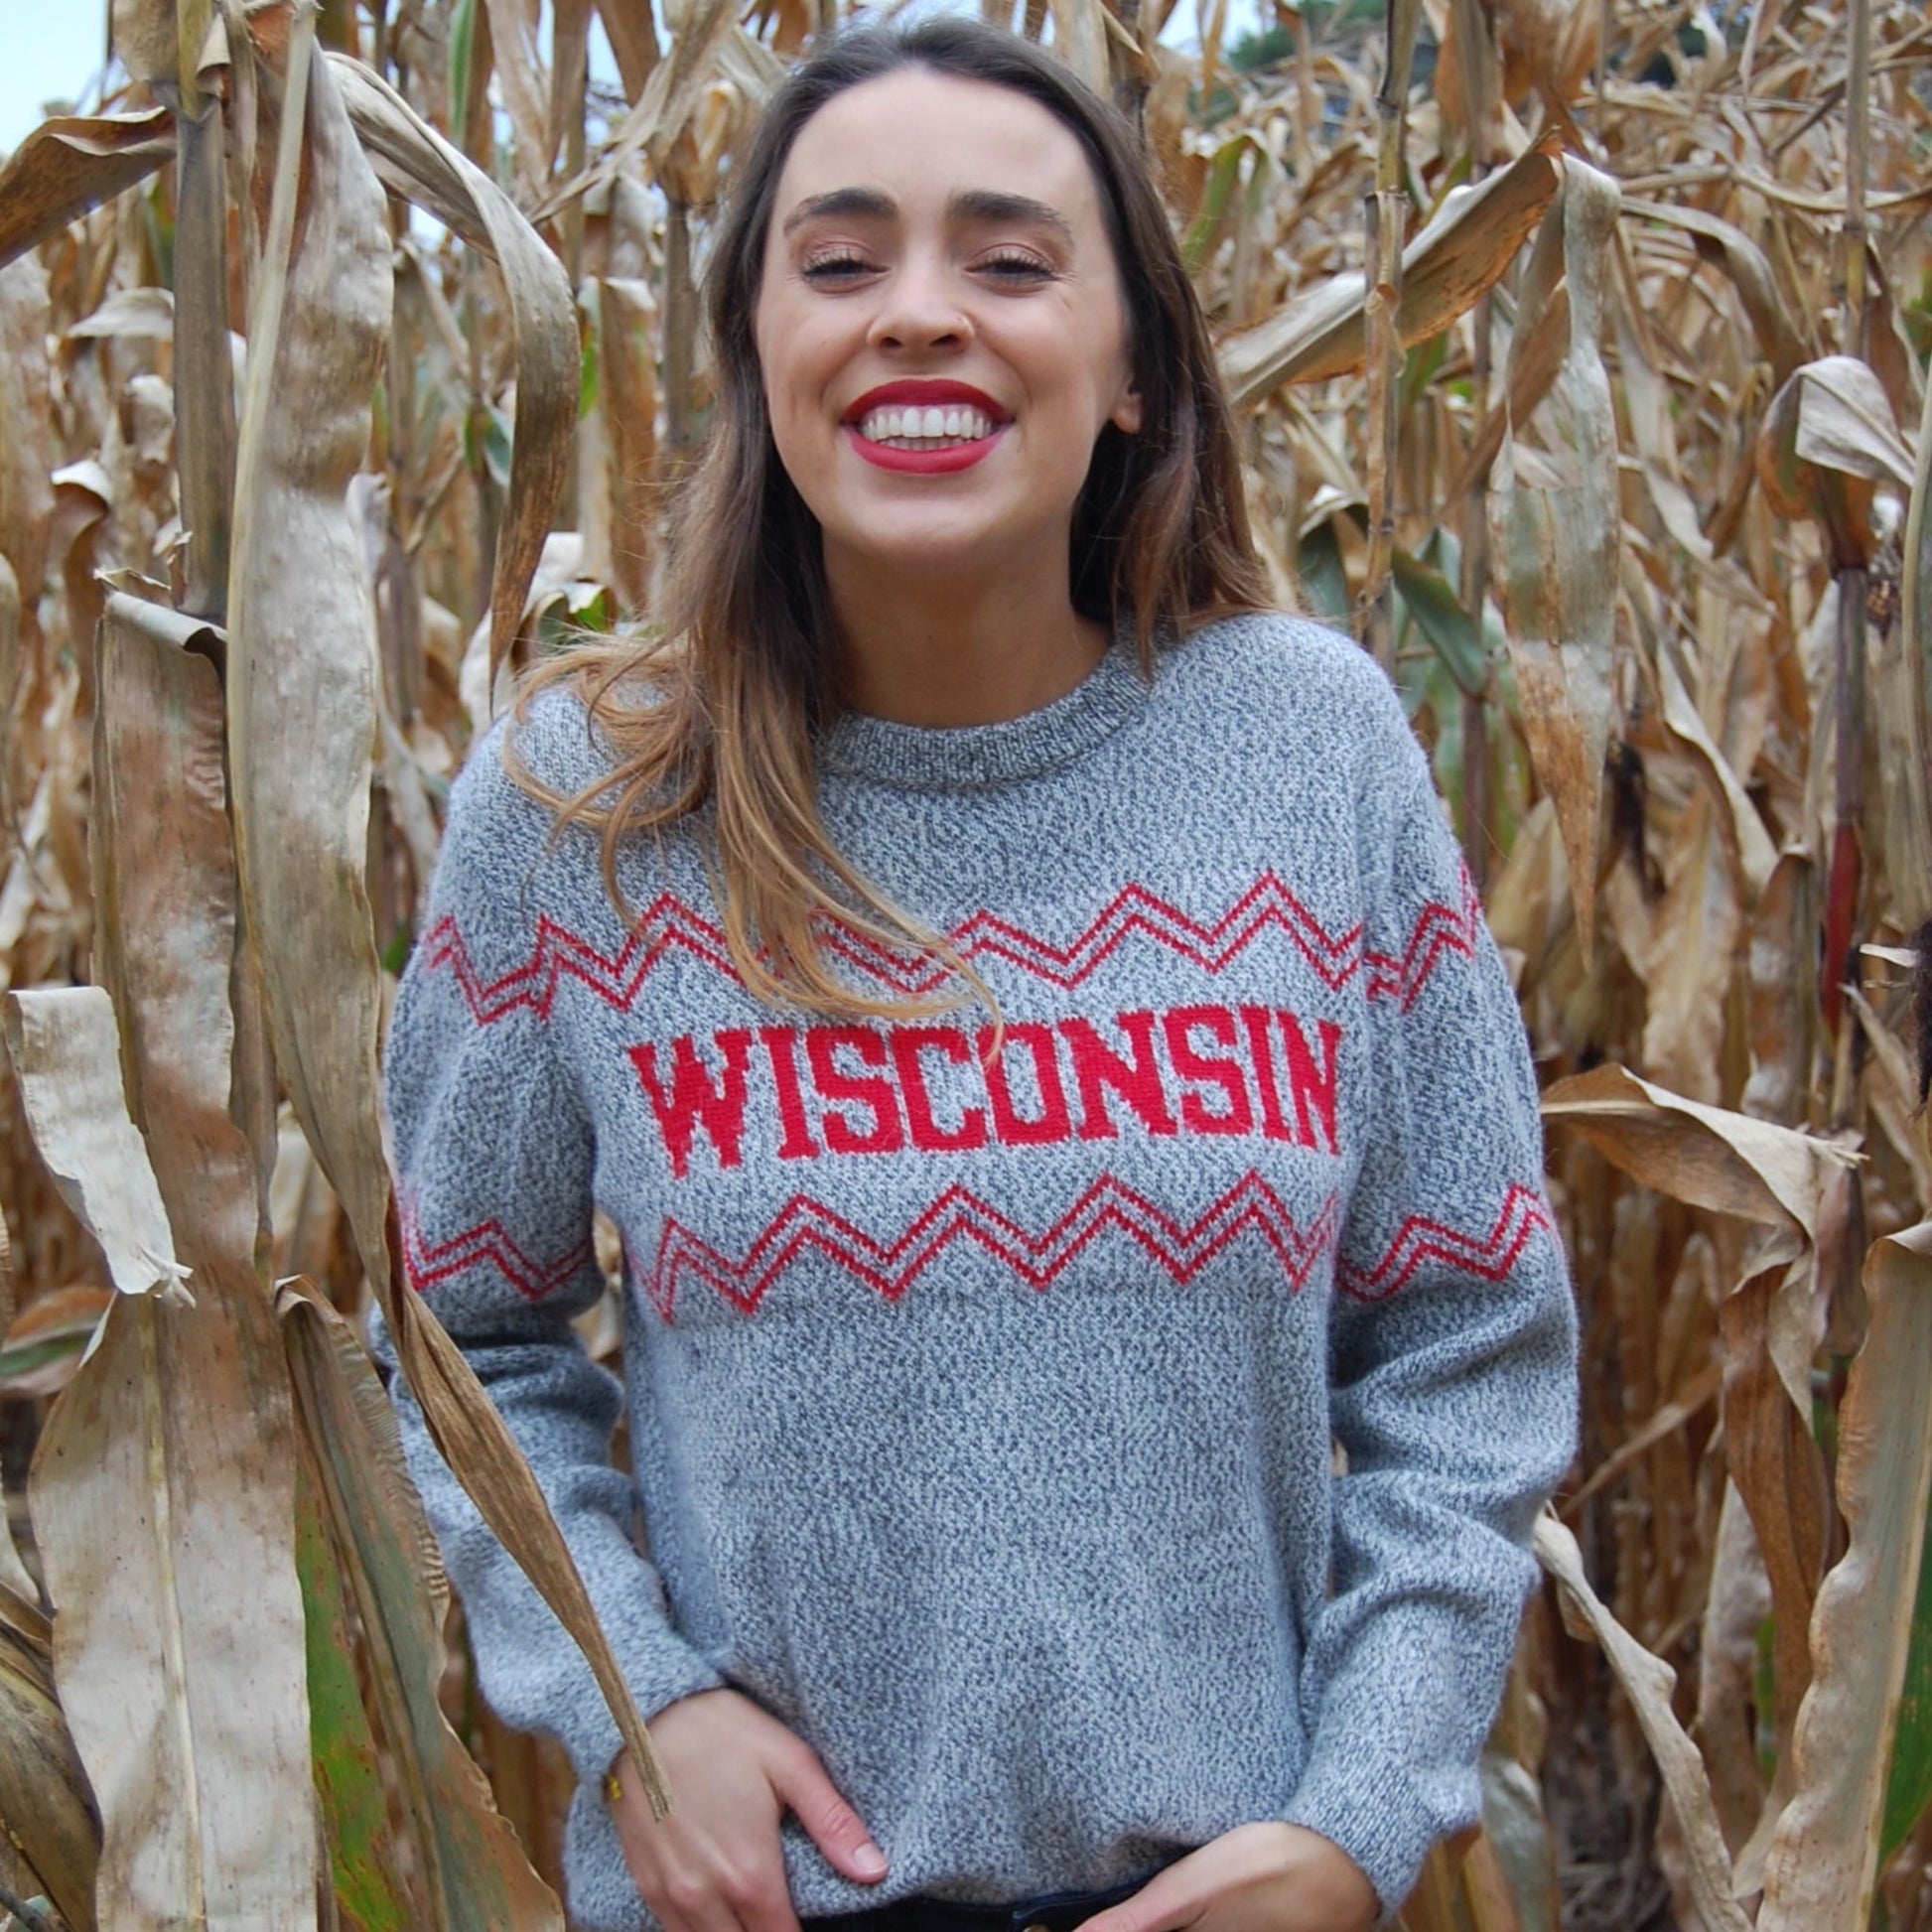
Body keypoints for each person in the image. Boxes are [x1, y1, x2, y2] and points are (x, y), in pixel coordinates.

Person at [379, 19, 1579, 1932]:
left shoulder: (1310, 753)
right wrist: (633, 1701)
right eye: (840, 262)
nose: (920, 314)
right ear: (757, 350)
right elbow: (453, 1338)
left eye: (1009, 262)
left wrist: (1358, 1816)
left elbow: (1469, 1340)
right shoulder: (584, 807)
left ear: (1132, 366)